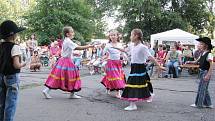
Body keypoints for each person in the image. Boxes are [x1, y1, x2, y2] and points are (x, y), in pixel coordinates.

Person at [117, 29, 164, 111]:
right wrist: (115, 48)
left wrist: (158, 65)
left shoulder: (143, 47)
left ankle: (133, 104)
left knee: (132, 84)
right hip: (134, 67)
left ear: (136, 36)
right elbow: (125, 50)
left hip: (140, 68)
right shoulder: (132, 45)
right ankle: (149, 94)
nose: (130, 37)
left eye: (131, 35)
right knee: (142, 83)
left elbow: (150, 57)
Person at [42, 26, 94, 99]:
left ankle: (47, 90)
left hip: (62, 61)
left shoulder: (66, 40)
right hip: (66, 61)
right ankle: (71, 94)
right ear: (67, 34)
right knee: (73, 76)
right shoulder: (68, 41)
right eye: (72, 32)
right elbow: (77, 47)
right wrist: (88, 46)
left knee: (58, 77)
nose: (73, 33)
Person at [0, 20, 26, 121]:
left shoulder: (1, 46)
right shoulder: (15, 47)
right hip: (12, 77)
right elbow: (16, 65)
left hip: (1, 76)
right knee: (11, 103)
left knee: (2, 102)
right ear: (14, 35)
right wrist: (23, 64)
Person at [189, 37, 213, 109]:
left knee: (202, 89)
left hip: (205, 72)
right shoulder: (202, 53)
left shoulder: (209, 54)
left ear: (206, 45)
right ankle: (208, 104)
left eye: (201, 44)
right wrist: (189, 62)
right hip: (202, 72)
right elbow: (196, 62)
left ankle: (199, 104)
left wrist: (208, 75)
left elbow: (212, 66)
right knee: (204, 88)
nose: (199, 45)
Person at [101, 30, 126, 98]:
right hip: (111, 63)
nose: (112, 36)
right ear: (109, 36)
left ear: (117, 36)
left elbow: (123, 52)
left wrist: (124, 58)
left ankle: (118, 92)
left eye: (114, 35)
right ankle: (110, 88)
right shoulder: (108, 45)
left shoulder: (120, 44)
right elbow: (103, 53)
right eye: (111, 35)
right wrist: (103, 57)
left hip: (118, 63)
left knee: (118, 77)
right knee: (114, 77)